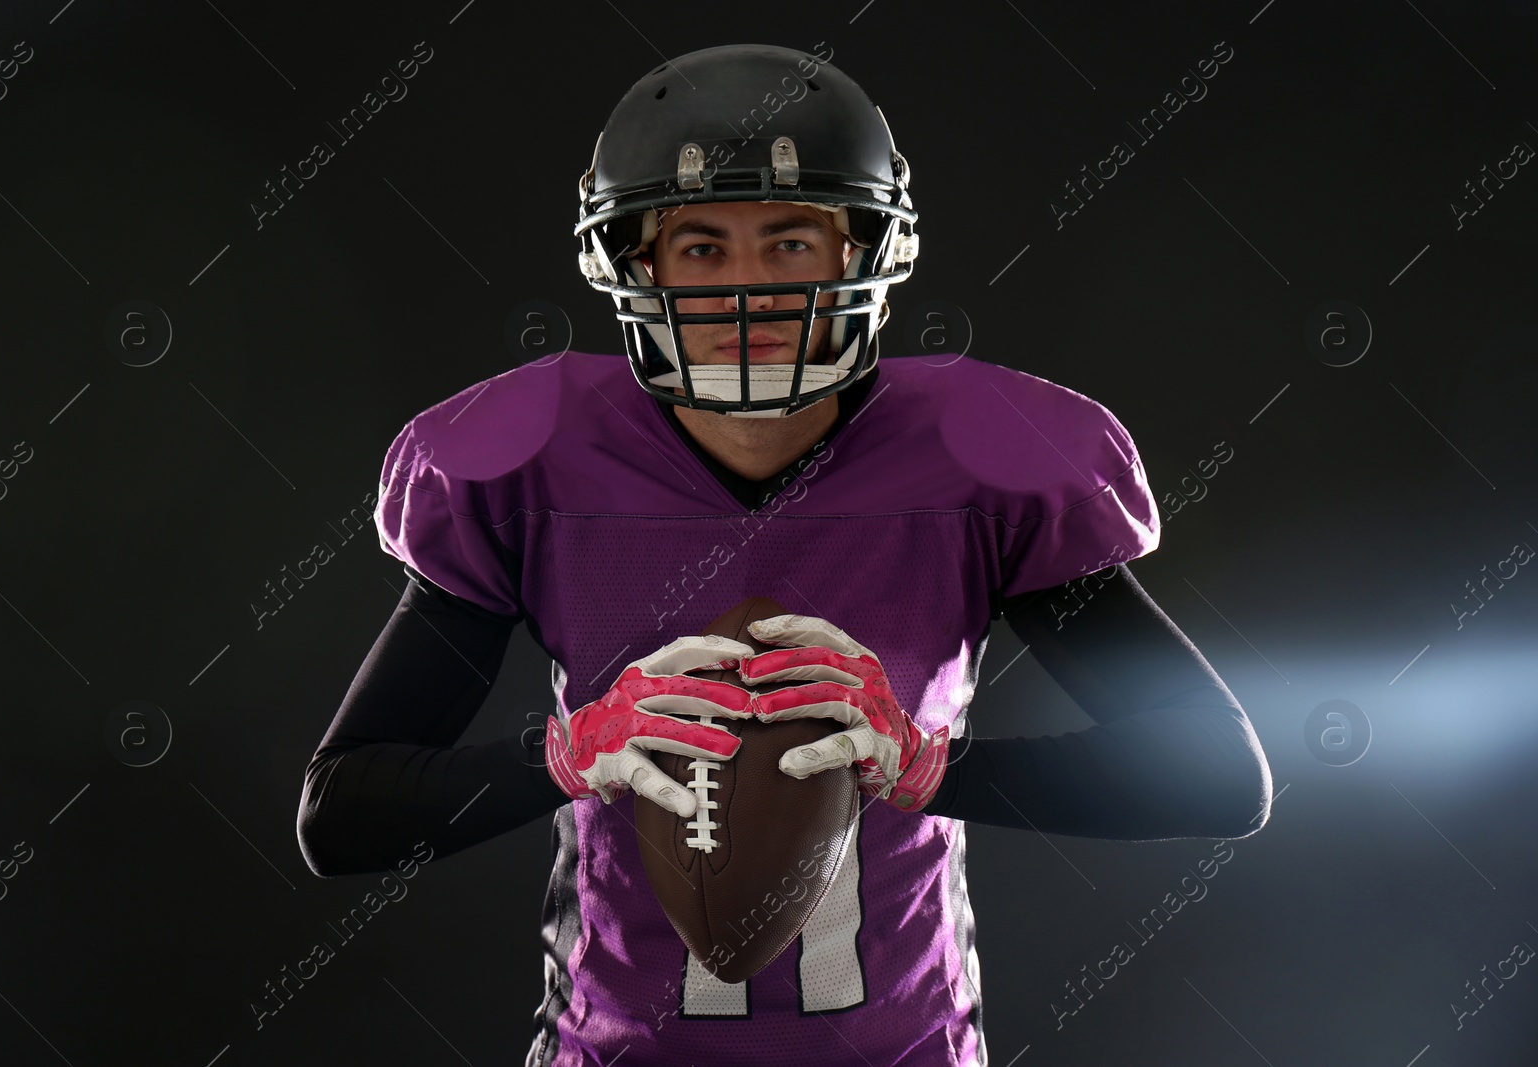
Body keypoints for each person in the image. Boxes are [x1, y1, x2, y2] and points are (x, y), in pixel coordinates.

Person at [297, 42, 1273, 1067]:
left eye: (791, 241)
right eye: (704, 247)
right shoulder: (530, 466)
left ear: (864, 254)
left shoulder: (984, 461)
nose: (749, 290)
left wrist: (925, 763)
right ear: (634, 261)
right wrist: (567, 752)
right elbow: (340, 813)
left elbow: (1215, 776)